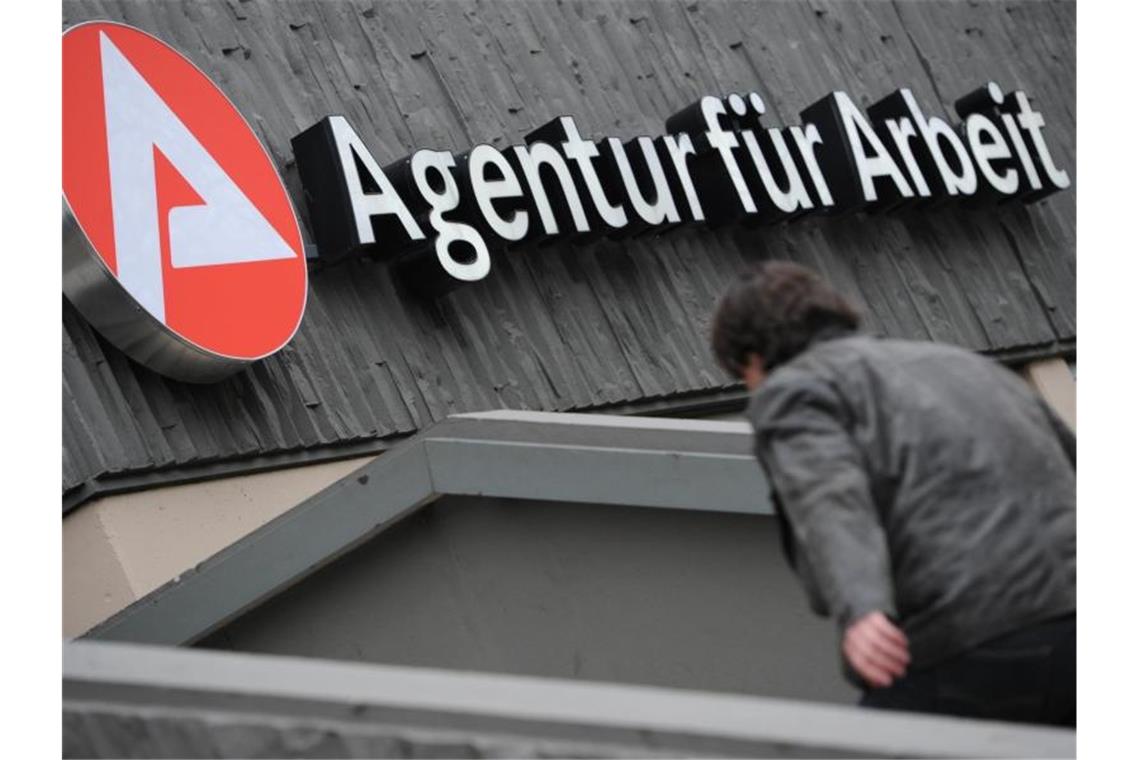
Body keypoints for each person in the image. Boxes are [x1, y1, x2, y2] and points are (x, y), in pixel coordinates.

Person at [710, 261, 1075, 727]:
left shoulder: (793, 390)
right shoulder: (965, 365)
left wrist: (862, 608)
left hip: (975, 639)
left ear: (752, 359)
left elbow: (830, 496)